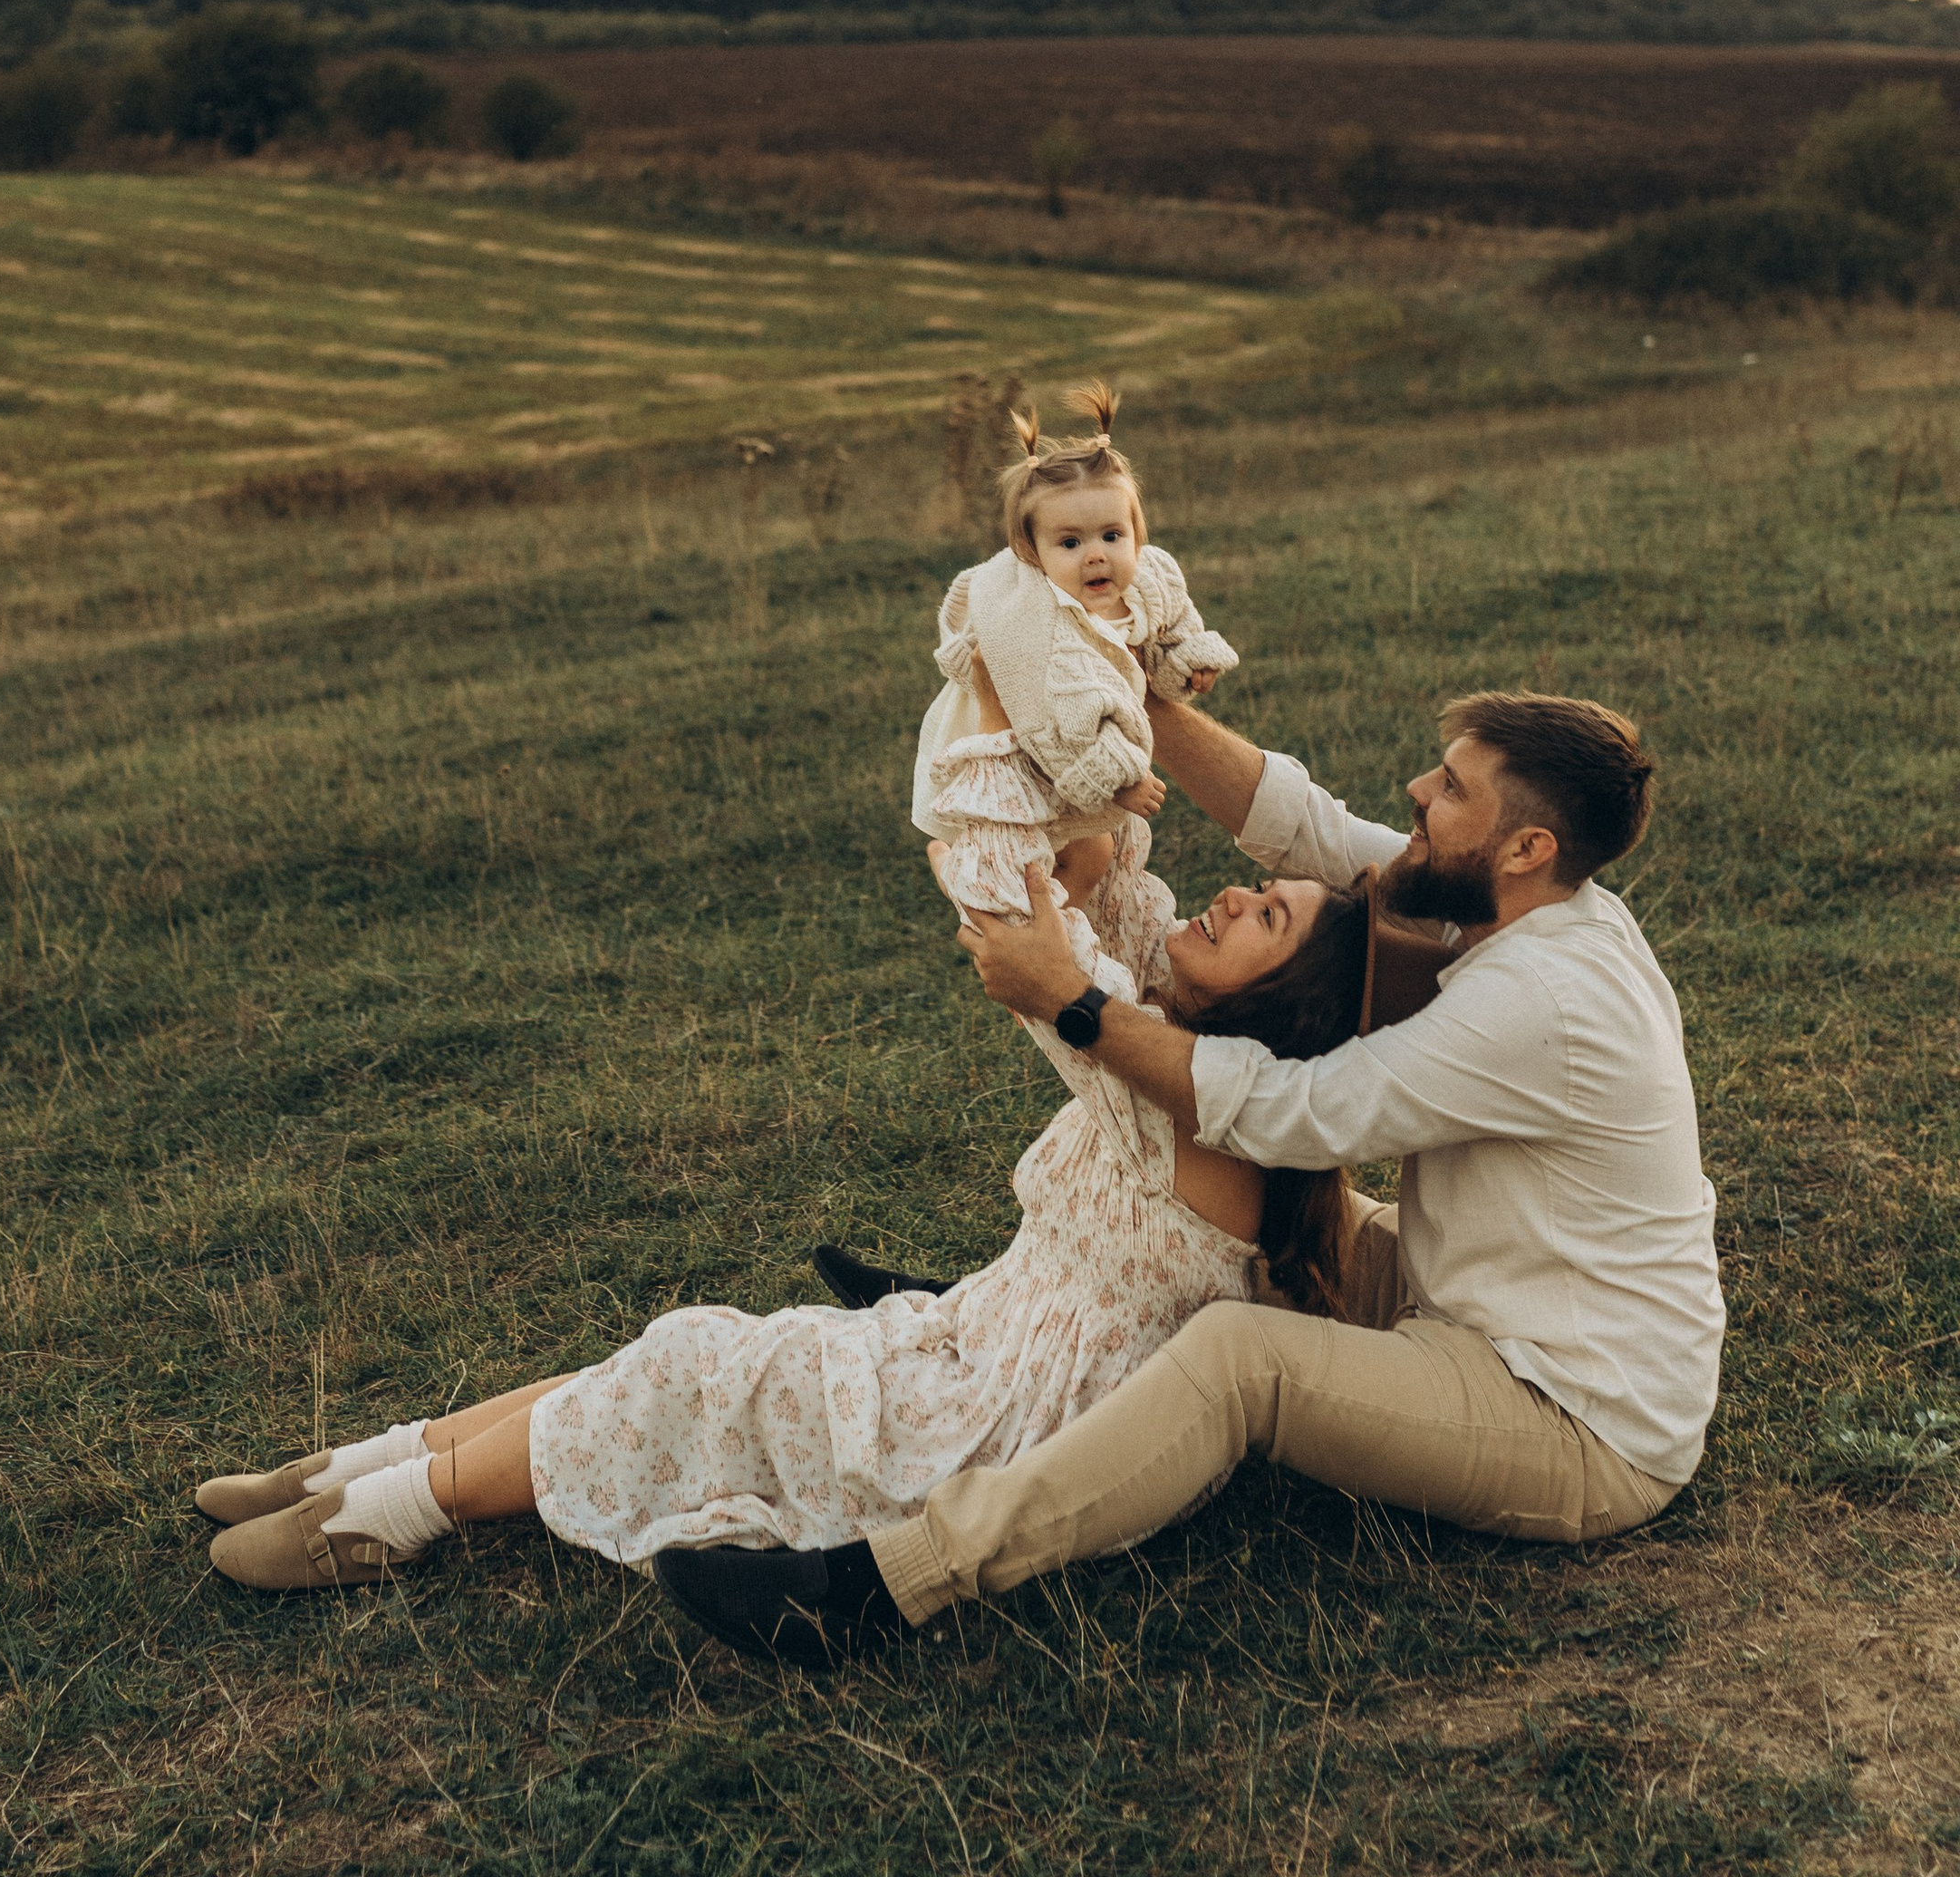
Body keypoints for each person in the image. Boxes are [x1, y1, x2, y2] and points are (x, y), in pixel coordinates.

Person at [652, 685, 1724, 1670]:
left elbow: (1294, 1115)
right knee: (1269, 1220)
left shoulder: (1542, 997)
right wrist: (1133, 697)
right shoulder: (1512, 899)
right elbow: (1299, 825)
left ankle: (879, 1588)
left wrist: (1074, 1002)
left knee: (1240, 1360)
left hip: (1574, 1410)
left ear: (1526, 844)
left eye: (1450, 789)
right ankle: (998, 1323)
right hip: (1484, 1289)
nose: (1416, 793)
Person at [190, 833, 1378, 1595]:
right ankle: (378, 1458)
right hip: (961, 1349)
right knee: (678, 1359)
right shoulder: (1175, 1068)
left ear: (1281, 1015)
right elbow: (1087, 920)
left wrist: (1044, 876)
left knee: (694, 1360)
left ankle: (389, 1518)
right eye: (1259, 889)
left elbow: (1039, 955)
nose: (1235, 896)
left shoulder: (1201, 1115)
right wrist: (1099, 799)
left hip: (995, 1428)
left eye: (1267, 917)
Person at [917, 380, 1234, 986]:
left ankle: (1061, 922)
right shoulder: (1043, 629)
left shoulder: (1145, 579)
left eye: (1112, 536)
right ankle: (1019, 933)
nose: (1096, 556)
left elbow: (1169, 622)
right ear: (1030, 551)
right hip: (1019, 738)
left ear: (1135, 532)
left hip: (1060, 741)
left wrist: (1186, 661)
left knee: (1096, 852)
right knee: (1078, 851)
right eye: (1070, 542)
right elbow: (1070, 712)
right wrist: (1120, 782)